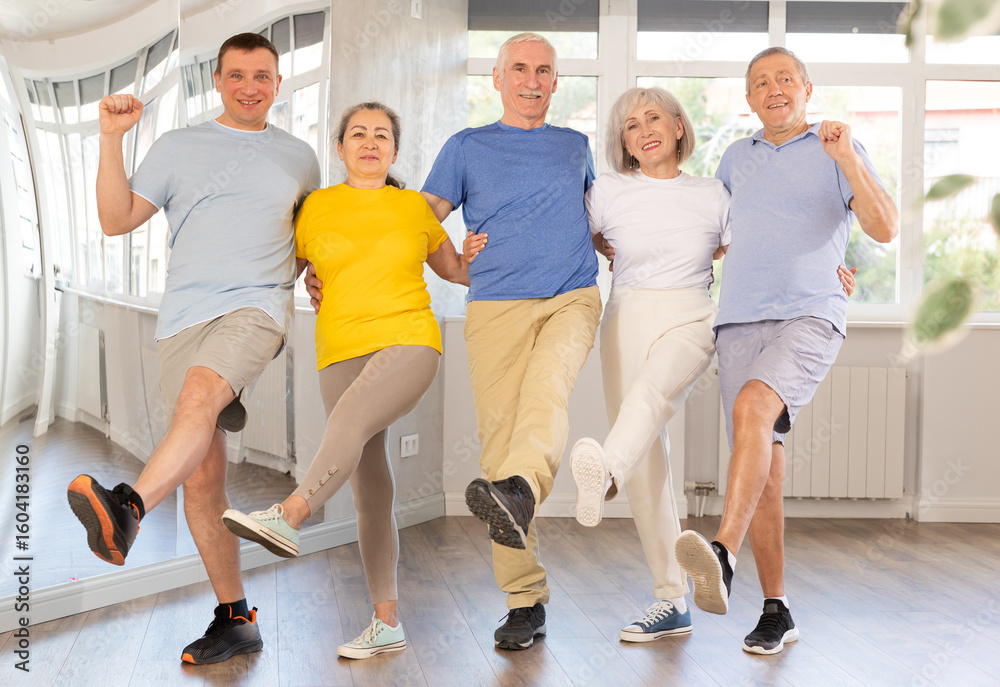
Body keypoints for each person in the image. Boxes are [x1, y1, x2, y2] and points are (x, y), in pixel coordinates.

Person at [66, 33, 320, 665]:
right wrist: (109, 139)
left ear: (278, 83)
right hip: (182, 316)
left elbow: (309, 236)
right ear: (218, 81)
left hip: (256, 307)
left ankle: (126, 508)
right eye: (238, 75)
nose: (250, 86)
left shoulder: (300, 156)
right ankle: (236, 619)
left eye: (263, 75)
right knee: (203, 475)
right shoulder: (178, 146)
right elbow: (116, 217)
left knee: (203, 396)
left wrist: (316, 270)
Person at [222, 101, 470, 660]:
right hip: (337, 349)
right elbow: (283, 267)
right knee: (368, 485)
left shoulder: (413, 208)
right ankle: (387, 622)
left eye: (382, 134)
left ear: (395, 151)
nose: (369, 142)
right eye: (358, 133)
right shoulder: (315, 208)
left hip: (409, 339)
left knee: (352, 422)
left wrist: (490, 246)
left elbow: (455, 269)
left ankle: (291, 514)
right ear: (340, 148)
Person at [675, 47, 898, 655]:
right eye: (760, 83)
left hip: (809, 313)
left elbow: (884, 227)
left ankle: (721, 553)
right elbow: (709, 237)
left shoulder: (834, 148)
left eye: (785, 79)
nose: (774, 89)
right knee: (764, 471)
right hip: (739, 320)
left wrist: (847, 157)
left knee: (753, 409)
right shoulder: (733, 159)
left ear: (806, 88)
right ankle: (777, 609)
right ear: (749, 99)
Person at [423, 32, 602, 650]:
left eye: (544, 71)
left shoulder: (576, 146)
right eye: (519, 69)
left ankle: (523, 490)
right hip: (495, 304)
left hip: (571, 296)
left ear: (557, 82)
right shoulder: (467, 146)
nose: (531, 80)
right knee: (500, 448)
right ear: (496, 79)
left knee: (547, 393)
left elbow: (605, 220)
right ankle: (525, 600)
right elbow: (421, 218)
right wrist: (453, 262)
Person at [569, 86, 728, 643]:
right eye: (630, 125)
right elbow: (573, 240)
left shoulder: (713, 194)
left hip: (691, 312)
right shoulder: (609, 190)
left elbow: (758, 252)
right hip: (627, 311)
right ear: (624, 143)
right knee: (647, 460)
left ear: (680, 127)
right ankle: (672, 598)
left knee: (649, 396)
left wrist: (830, 276)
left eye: (654, 117)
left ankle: (602, 472)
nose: (644, 130)